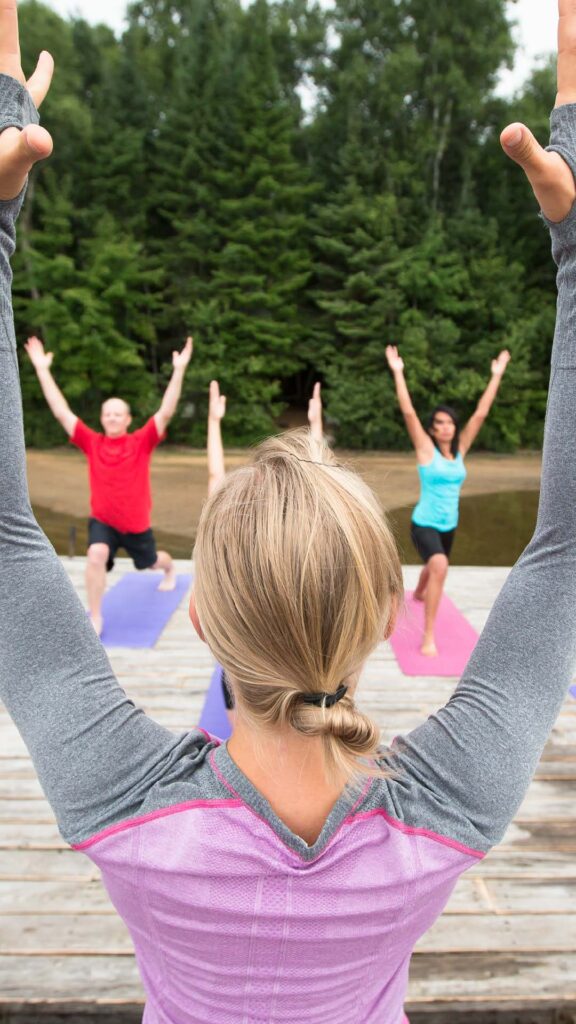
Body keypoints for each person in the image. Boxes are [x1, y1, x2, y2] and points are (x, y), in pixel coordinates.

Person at [2, 4, 576, 1022]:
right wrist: (575, 249)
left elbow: (7, 550)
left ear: (208, 622)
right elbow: (566, 556)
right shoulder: (450, 804)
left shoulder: (119, 797)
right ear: (376, 615)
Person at [25, 332, 193, 635]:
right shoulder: (92, 443)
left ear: (128, 419)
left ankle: (170, 568)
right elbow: (62, 412)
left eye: (118, 414)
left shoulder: (141, 442)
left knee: (153, 563)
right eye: (108, 414)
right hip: (103, 521)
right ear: (102, 419)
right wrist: (42, 368)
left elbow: (166, 411)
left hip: (136, 524)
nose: (113, 418)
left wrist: (179, 369)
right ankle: (96, 617)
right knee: (96, 554)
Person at [385, 345, 510, 655]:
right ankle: (428, 634)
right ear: (432, 428)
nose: (444, 427)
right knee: (440, 564)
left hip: (448, 525)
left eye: (449, 423)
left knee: (435, 564)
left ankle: (421, 592)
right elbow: (409, 411)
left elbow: (481, 412)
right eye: (438, 423)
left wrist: (497, 375)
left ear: (454, 427)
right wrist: (398, 372)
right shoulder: (425, 449)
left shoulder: (460, 449)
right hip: (424, 522)